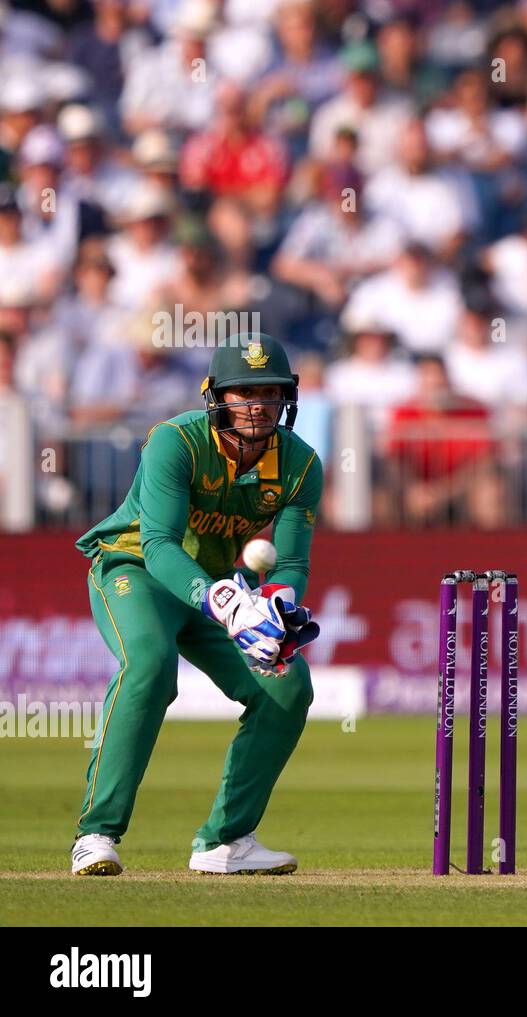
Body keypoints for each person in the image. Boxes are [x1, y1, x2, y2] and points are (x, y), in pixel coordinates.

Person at [69, 333, 323, 876]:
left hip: (216, 588)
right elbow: (159, 542)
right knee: (151, 666)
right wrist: (223, 600)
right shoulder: (175, 441)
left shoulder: (301, 466)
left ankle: (226, 842)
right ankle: (96, 834)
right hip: (135, 570)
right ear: (216, 397)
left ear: (287, 399)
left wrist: (275, 608)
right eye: (243, 392)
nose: (257, 404)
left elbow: (291, 563)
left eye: (270, 392)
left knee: (287, 685)